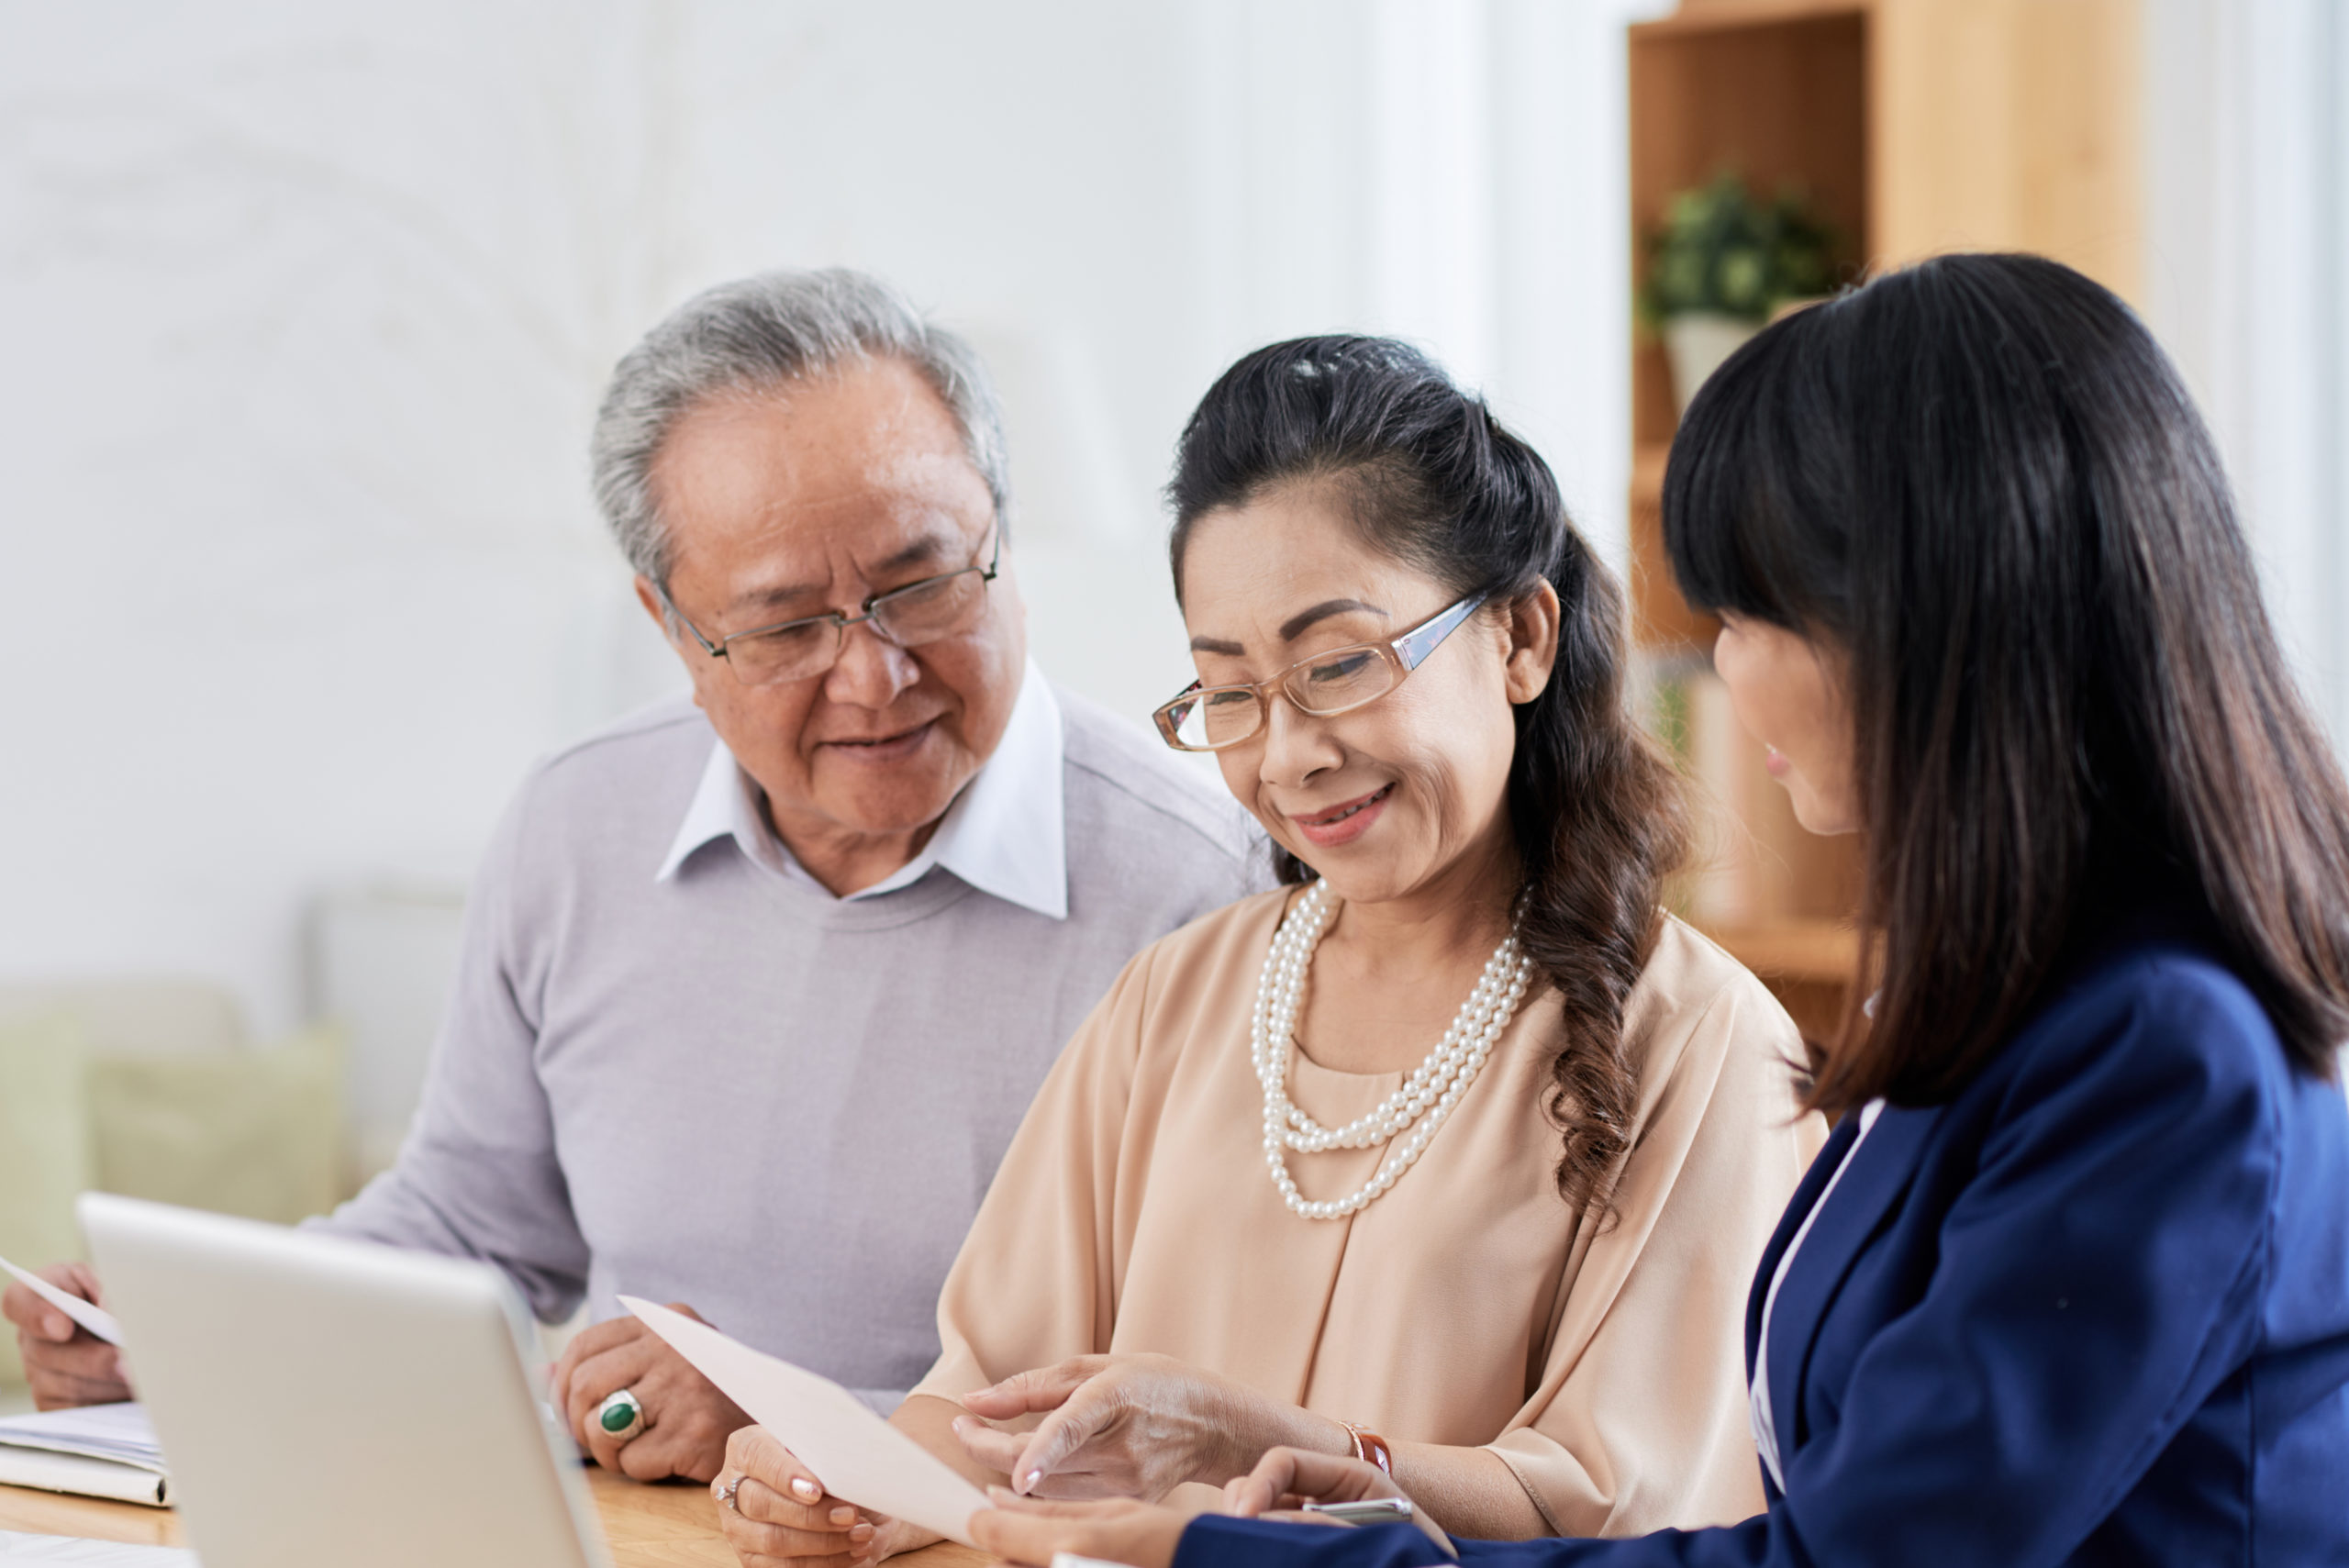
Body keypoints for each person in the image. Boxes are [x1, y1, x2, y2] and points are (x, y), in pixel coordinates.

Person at [961, 253, 2349, 1568]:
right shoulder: (2007, 1001)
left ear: (1949, 618)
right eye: (1232, 689)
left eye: (1756, 618)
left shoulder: (2158, 1048)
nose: (1728, 680)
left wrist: (1247, 1548)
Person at [2, 269, 1261, 1483]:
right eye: (782, 626)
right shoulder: (577, 823)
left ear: (1002, 531)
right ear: (670, 625)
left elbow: (1204, 1392)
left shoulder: (1203, 891)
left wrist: (787, 1416)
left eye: (920, 582)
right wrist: (192, 1333)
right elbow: (473, 1224)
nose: (874, 675)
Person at [711, 336, 1827, 1565]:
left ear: (1520, 635)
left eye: (1339, 664)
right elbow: (989, 1406)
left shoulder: (1704, 1043)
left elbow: (1623, 1515)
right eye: (1227, 691)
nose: (1287, 755)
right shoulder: (1178, 997)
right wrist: (836, 1482)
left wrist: (1263, 1444)